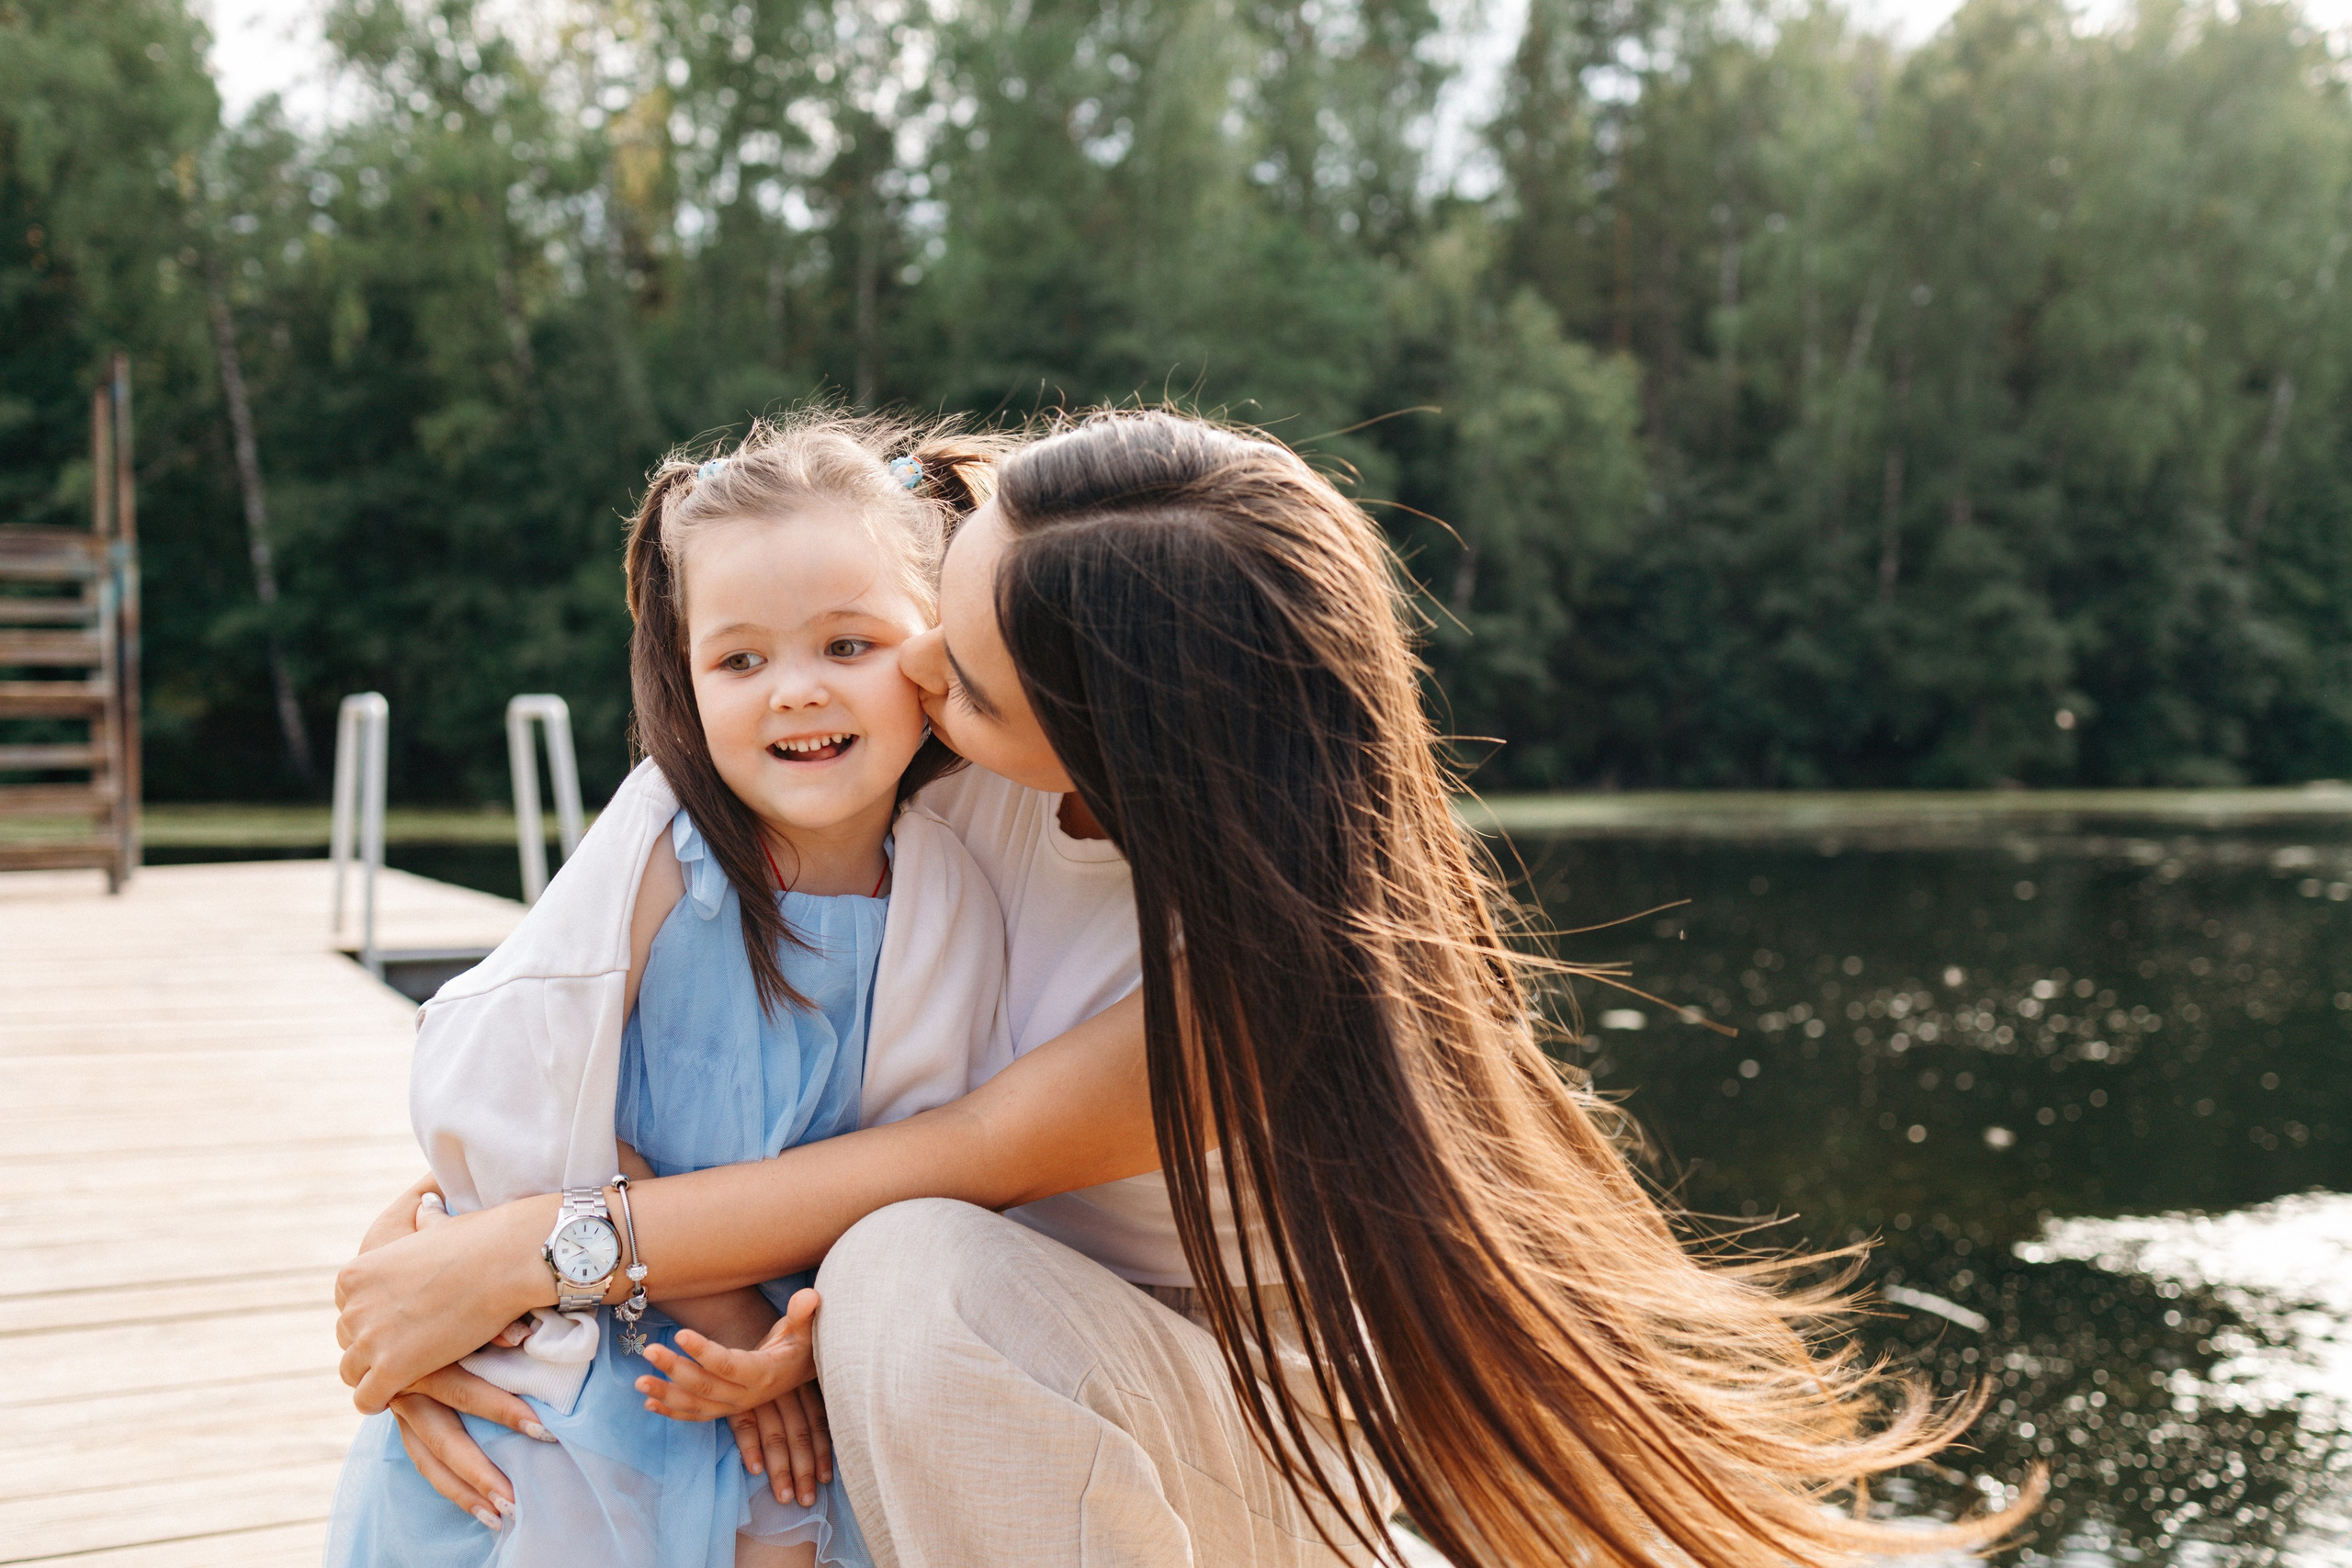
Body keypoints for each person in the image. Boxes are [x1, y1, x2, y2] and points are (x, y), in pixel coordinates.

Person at [337, 410, 2032, 1566]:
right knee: (893, 1308)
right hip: (1024, 1427)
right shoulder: (937, 761)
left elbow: (921, 1172)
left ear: (1109, 748)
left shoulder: (1260, 970)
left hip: (1272, 1474)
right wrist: (436, 1234)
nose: (904, 670)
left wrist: (534, 1249)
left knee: (913, 1280)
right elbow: (599, 1033)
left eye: (960, 666)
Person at [325, 413, 1012, 1567]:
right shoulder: (666, 846)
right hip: (597, 1354)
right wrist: (730, 1312)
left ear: (930, 650)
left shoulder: (947, 885)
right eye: (740, 660)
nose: (793, 691)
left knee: (791, 1514)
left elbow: (931, 1168)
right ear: (686, 680)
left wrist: (794, 1344)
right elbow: (509, 1088)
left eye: (848, 646)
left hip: (797, 1355)